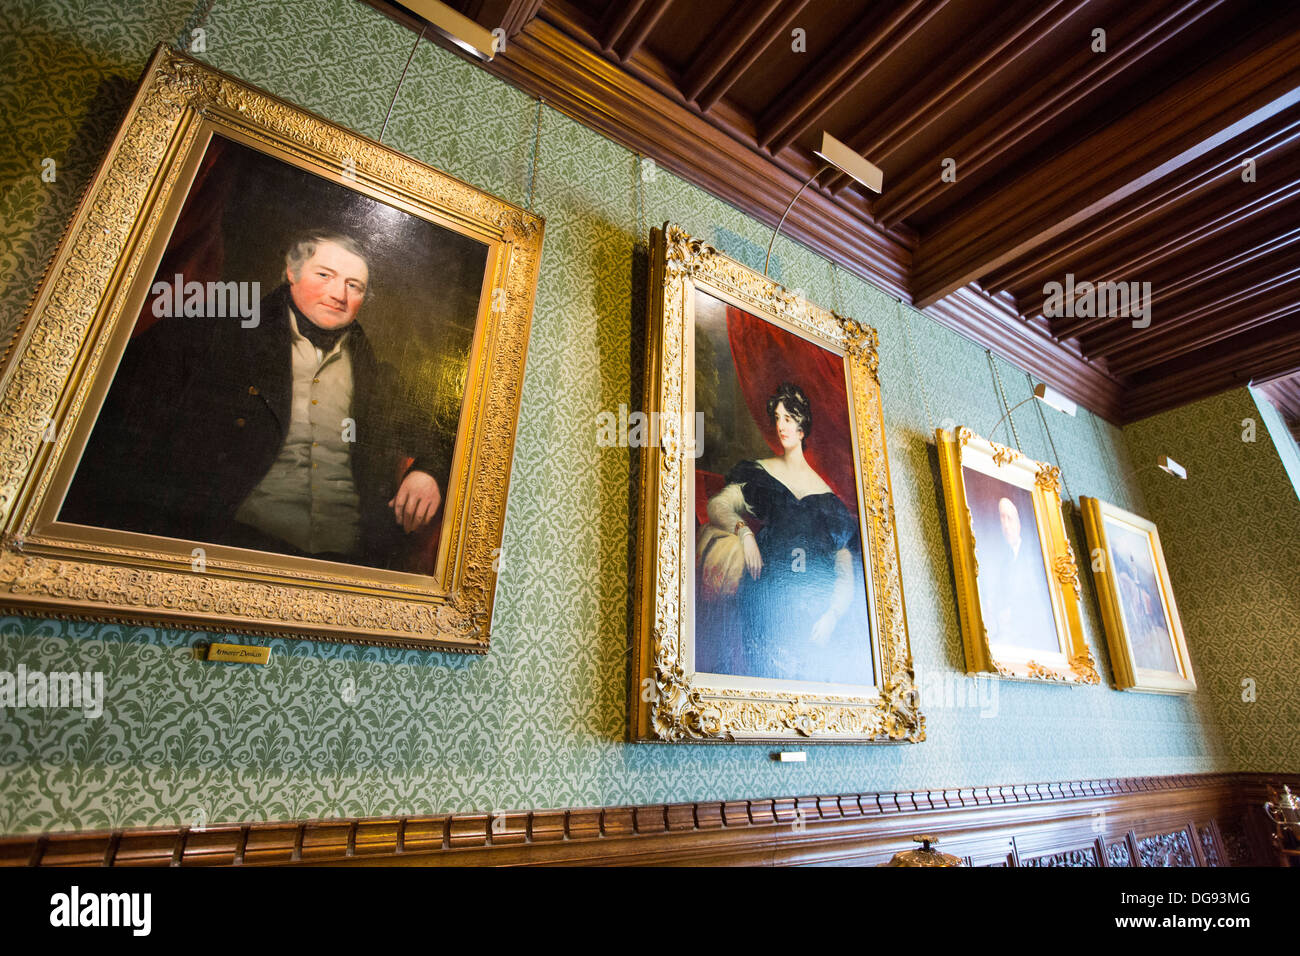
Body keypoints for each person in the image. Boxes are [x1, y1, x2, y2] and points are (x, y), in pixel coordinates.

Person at [61, 229, 447, 571]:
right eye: (325, 275)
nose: (339, 294)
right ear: (291, 272)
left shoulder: (374, 374)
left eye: (354, 285)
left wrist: (426, 471)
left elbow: (440, 437)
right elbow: (125, 427)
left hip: (341, 561)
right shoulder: (219, 334)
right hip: (229, 545)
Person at [703, 382, 869, 683]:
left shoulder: (831, 503)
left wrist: (831, 615)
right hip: (764, 596)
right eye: (777, 418)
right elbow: (719, 505)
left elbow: (845, 574)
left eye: (788, 419)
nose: (781, 425)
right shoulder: (760, 473)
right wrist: (744, 533)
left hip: (812, 612)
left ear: (802, 428)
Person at [979, 495, 1058, 650]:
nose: (1006, 526)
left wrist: (1012, 614)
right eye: (1002, 519)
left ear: (1019, 523)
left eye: (1009, 518)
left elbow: (1039, 604)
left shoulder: (1035, 556)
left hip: (1032, 637)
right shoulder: (1003, 559)